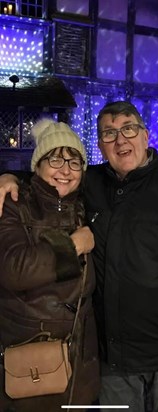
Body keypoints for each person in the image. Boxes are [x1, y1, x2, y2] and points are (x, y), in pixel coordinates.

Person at [1, 100, 158, 412]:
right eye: (109, 133)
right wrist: (7, 177)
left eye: (128, 128)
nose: (120, 140)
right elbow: (47, 177)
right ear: (101, 147)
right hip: (110, 361)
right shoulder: (91, 183)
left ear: (145, 135)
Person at [0, 118, 99, 412]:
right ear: (37, 165)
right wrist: (73, 246)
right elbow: (13, 269)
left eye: (74, 161)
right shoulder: (14, 204)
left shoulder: (84, 205)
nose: (65, 170)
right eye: (55, 159)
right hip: (34, 361)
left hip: (81, 363)